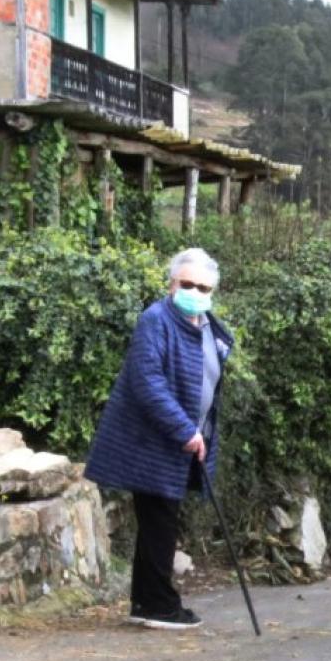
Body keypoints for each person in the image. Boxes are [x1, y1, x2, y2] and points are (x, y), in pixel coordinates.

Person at [85, 248, 233, 630]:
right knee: (159, 519)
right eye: (187, 284)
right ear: (171, 284)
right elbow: (147, 381)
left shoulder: (210, 327)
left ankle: (150, 600)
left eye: (202, 287)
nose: (195, 292)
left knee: (161, 520)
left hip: (185, 443)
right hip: (154, 441)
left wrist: (199, 433)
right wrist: (184, 429)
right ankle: (157, 604)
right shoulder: (156, 320)